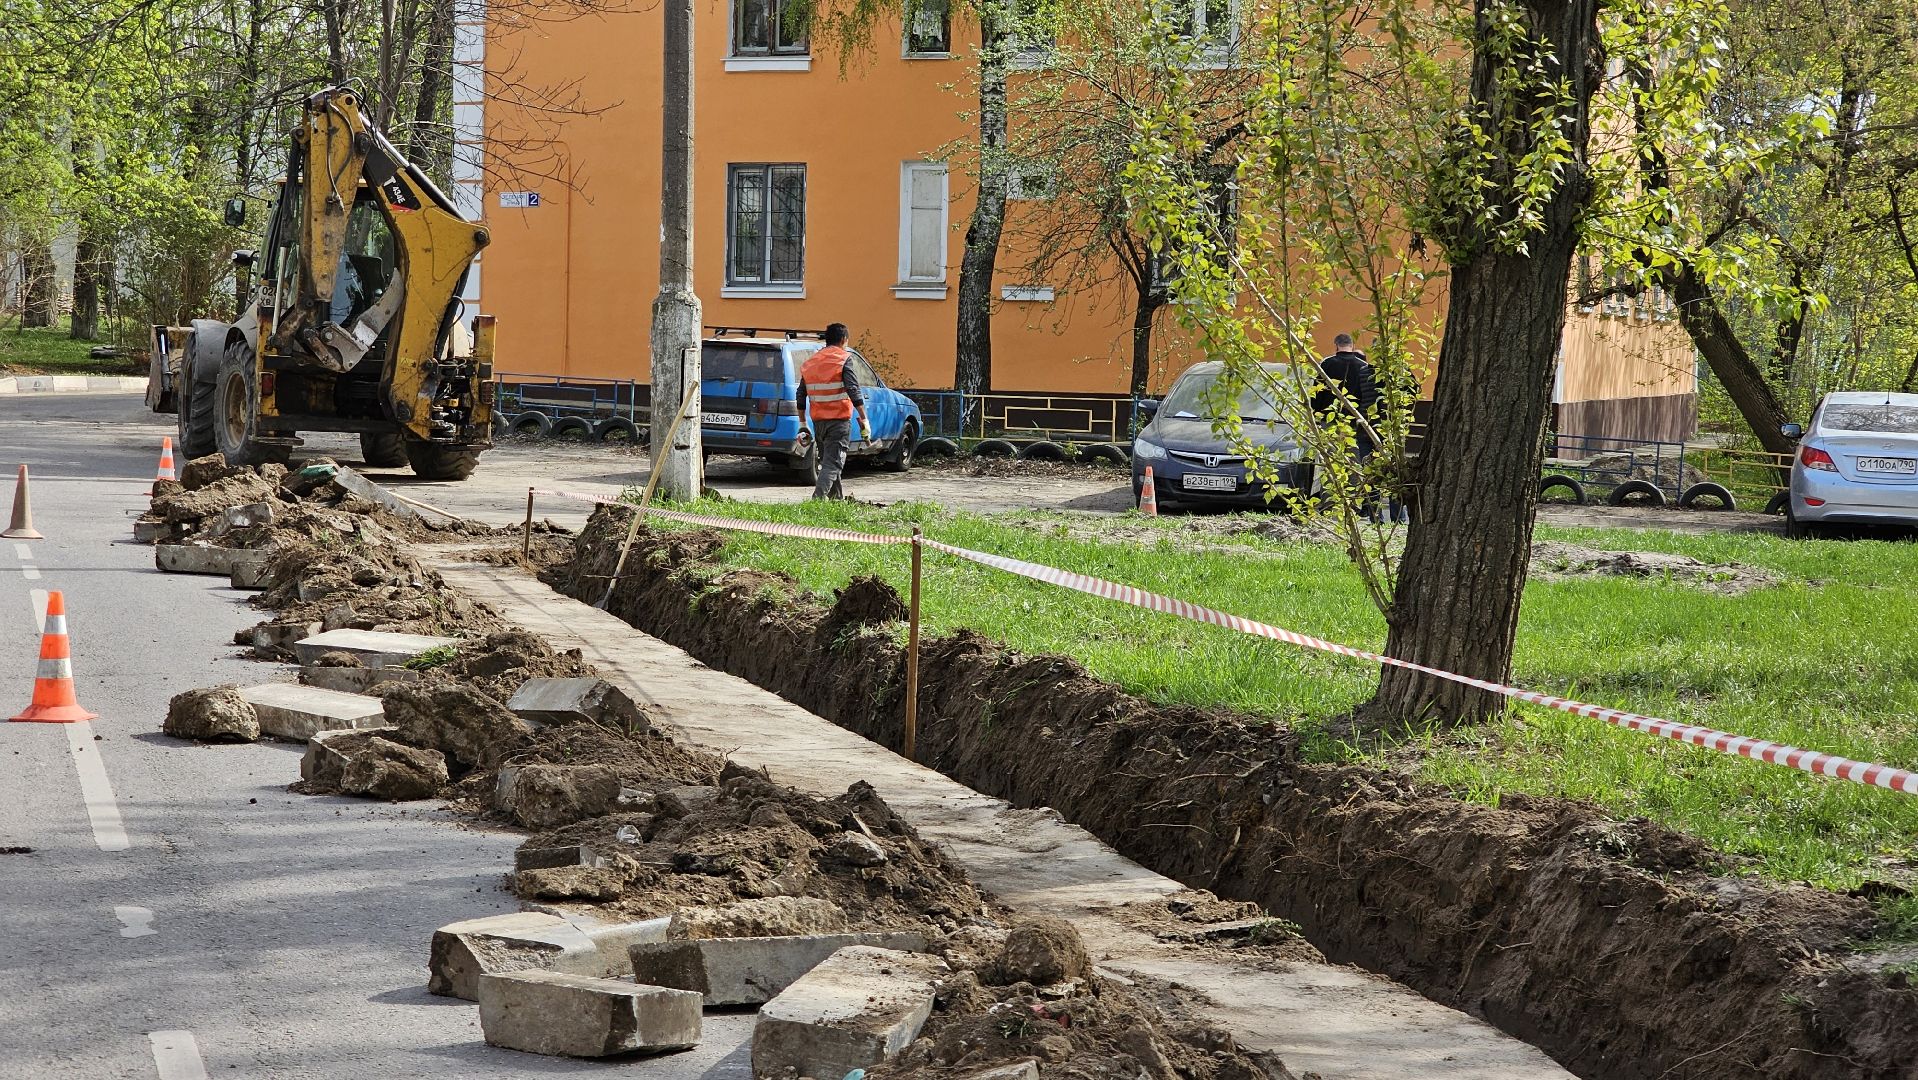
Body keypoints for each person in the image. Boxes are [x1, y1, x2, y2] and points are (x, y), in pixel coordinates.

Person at [1313, 333, 1404, 522]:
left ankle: (1333, 505)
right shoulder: (1364, 367)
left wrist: (1316, 414)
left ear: (1336, 345)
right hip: (1360, 424)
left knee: (1334, 463)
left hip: (1335, 421)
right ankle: (1360, 506)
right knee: (1358, 466)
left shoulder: (1327, 364)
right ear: (1352, 345)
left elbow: (1317, 392)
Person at [795, 323, 871, 500]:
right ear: (844, 340)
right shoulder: (844, 359)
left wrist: (802, 424)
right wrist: (864, 418)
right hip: (839, 421)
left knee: (828, 462)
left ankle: (837, 500)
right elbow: (853, 389)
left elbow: (800, 394)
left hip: (818, 422)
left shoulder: (810, 362)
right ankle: (817, 500)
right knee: (833, 463)